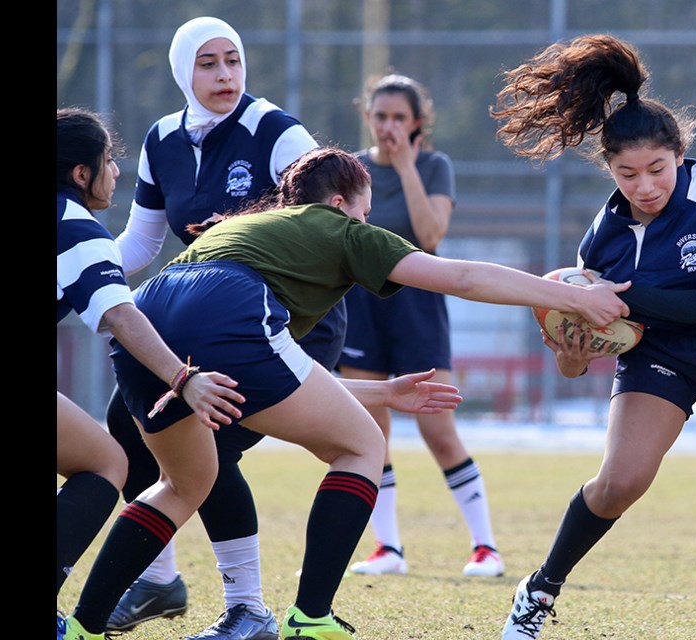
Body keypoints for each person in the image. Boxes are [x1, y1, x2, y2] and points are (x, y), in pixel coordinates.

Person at [55, 145, 631, 640]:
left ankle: (83, 624)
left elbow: (272, 373)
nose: (367, 220)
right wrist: (573, 298)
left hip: (148, 320)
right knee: (361, 447)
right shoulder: (337, 228)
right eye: (365, 209)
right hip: (227, 311)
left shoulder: (243, 230)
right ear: (339, 205)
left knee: (183, 484)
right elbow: (460, 276)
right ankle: (311, 615)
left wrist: (382, 394)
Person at [489, 34, 696, 640]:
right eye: (627, 174)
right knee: (619, 483)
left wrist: (613, 296)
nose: (645, 186)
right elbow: (581, 361)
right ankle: (538, 590)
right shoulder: (600, 240)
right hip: (659, 357)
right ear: (610, 170)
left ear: (680, 153)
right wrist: (572, 350)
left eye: (657, 169)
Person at [100, 17, 350, 640]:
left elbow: (325, 220)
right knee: (127, 429)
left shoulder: (274, 130)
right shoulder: (162, 138)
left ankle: (248, 609)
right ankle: (159, 581)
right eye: (208, 63)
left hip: (284, 321)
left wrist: (250, 224)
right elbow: (139, 243)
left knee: (204, 449)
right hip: (205, 325)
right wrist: (77, 268)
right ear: (184, 71)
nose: (224, 75)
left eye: (233, 60)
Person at [56, 108, 244, 616]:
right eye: (109, 160)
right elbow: (122, 316)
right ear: (81, 174)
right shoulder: (76, 228)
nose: (116, 170)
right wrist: (183, 377)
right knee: (106, 463)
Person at [337, 73, 503, 578]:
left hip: (418, 305)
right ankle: (388, 548)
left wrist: (406, 165)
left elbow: (431, 234)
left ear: (417, 124)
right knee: (371, 428)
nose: (388, 126)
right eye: (380, 116)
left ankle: (486, 548)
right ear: (367, 117)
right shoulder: (351, 170)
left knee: (438, 428)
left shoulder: (433, 166)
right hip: (361, 307)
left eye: (399, 118)